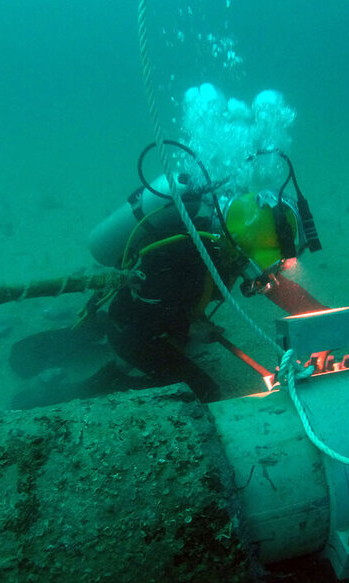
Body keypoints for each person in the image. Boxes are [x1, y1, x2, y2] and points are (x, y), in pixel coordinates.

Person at [83, 144, 327, 402]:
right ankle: (107, 384)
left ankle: (97, 333)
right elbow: (136, 314)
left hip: (164, 311)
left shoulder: (229, 246)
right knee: (205, 392)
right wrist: (188, 328)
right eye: (271, 265)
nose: (271, 274)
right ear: (248, 255)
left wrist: (324, 318)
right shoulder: (185, 258)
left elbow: (278, 288)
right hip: (131, 329)